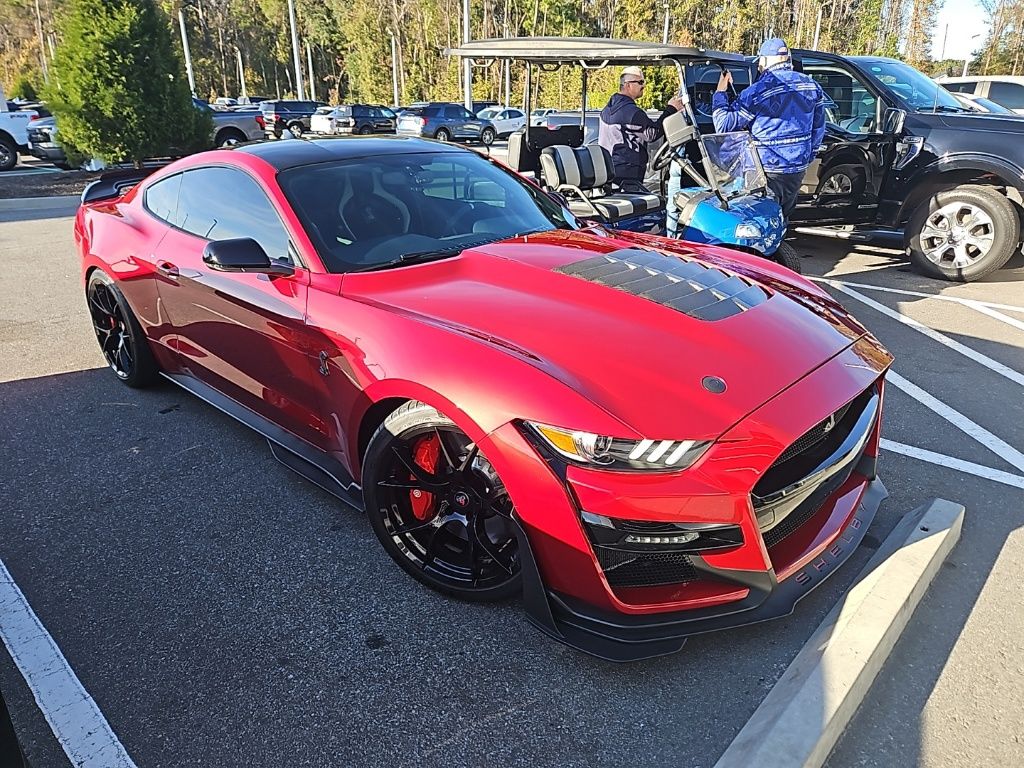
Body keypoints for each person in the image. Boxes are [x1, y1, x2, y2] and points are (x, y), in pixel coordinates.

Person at [711, 38, 826, 222]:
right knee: (782, 218)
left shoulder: (757, 91)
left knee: (759, 221)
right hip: (797, 168)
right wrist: (806, 156)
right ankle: (784, 249)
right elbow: (818, 128)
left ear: (763, 61)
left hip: (765, 170)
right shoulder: (812, 86)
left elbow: (723, 125)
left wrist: (720, 93)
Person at [599, 66, 683, 192]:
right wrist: (671, 109)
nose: (643, 86)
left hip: (611, 171)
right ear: (627, 85)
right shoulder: (631, 113)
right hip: (627, 175)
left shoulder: (608, 108)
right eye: (640, 82)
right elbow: (652, 133)